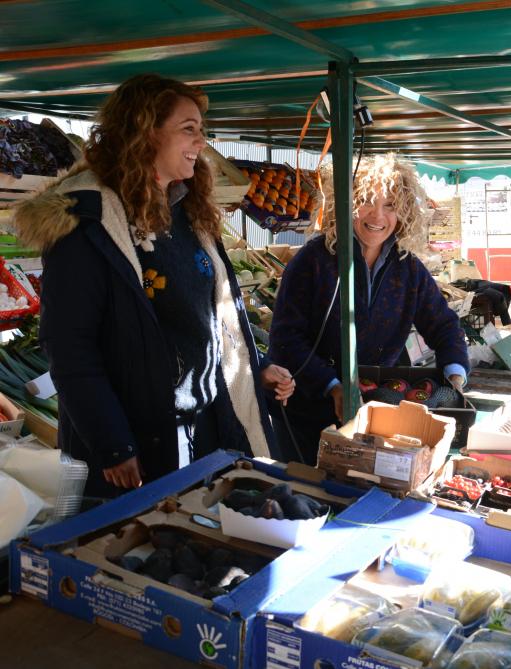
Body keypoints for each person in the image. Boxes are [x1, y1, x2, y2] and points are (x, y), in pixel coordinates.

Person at [13, 74, 293, 497]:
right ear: (144, 133)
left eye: (201, 130)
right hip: (140, 443)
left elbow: (218, 317)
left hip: (205, 427)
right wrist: (113, 445)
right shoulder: (87, 225)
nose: (201, 142)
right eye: (188, 129)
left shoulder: (188, 211)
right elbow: (70, 347)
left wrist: (256, 371)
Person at [269, 154, 469, 466]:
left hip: (377, 412)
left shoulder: (409, 269)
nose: (377, 215)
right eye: (365, 201)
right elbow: (285, 340)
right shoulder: (312, 262)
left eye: (390, 205)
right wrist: (333, 387)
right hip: (309, 416)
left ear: (403, 212)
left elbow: (444, 326)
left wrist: (455, 374)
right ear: (344, 204)